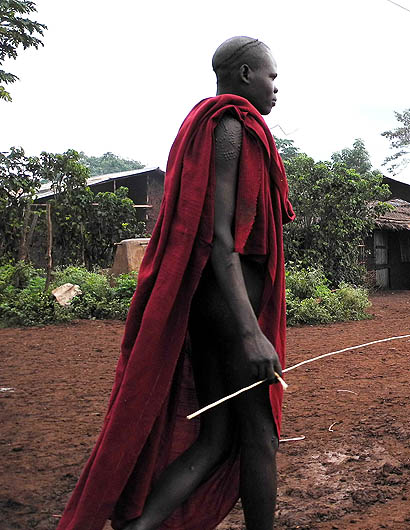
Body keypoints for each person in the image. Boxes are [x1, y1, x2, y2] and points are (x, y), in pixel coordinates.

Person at [57, 36, 294, 530]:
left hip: (212, 307)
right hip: (234, 313)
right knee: (259, 438)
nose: (278, 88)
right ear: (246, 74)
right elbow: (222, 240)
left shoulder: (212, 126)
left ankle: (137, 528)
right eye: (272, 76)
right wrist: (250, 332)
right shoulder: (231, 127)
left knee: (215, 437)